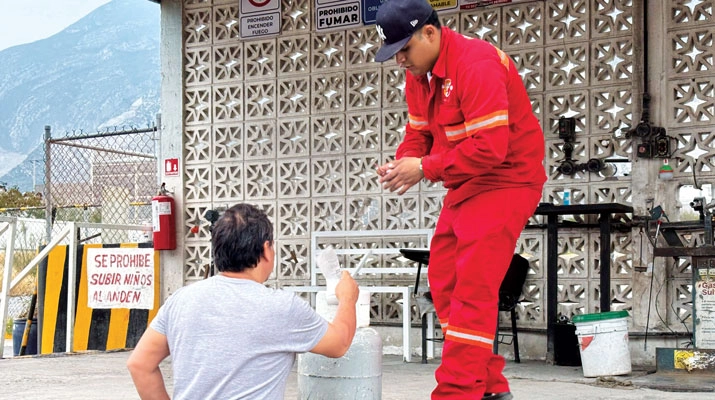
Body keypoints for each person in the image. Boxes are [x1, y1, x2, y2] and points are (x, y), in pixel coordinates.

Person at [374, 0, 547, 399]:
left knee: (473, 288)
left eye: (404, 49)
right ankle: (490, 386)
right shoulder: (419, 75)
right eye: (393, 52)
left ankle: (456, 392)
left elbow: (491, 148)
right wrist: (404, 163)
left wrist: (425, 168)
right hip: (466, 182)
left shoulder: (476, 64)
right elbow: (419, 135)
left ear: (430, 33)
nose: (400, 60)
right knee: (445, 280)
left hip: (507, 180)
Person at [127, 203, 359, 400]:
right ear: (266, 250)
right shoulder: (282, 307)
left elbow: (139, 364)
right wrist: (347, 298)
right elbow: (338, 344)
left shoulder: (180, 300)